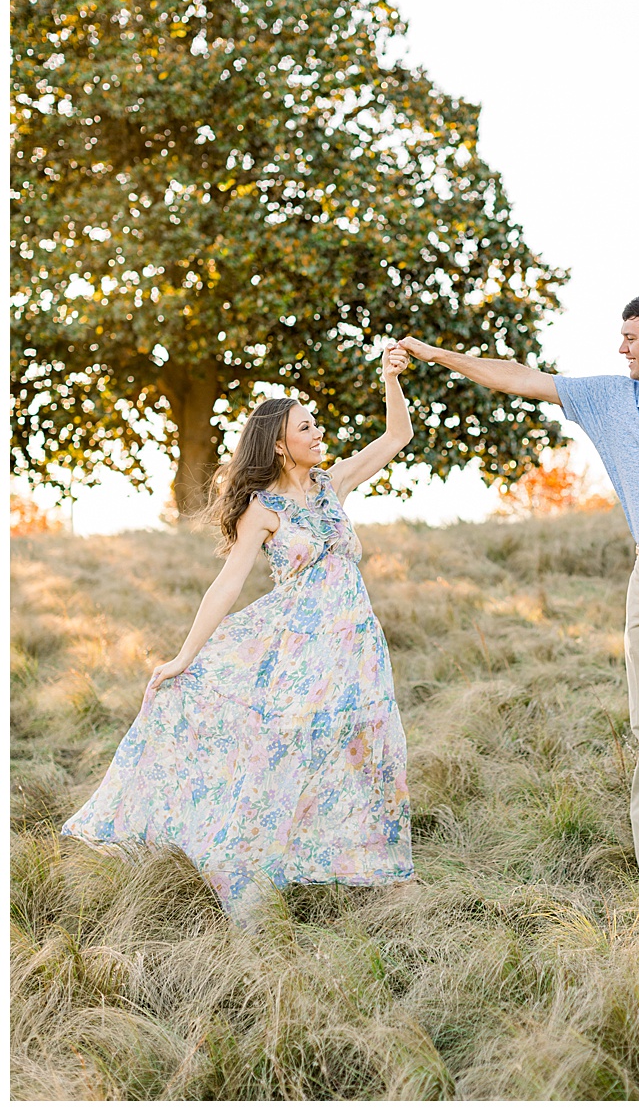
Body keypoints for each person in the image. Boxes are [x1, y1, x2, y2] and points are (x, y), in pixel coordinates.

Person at [401, 290, 639, 880]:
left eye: (630, 337)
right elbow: (518, 378)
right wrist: (434, 354)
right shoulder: (609, 398)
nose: (620, 347)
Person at [63, 347, 419, 928]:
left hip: (356, 648)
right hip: (299, 655)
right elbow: (226, 587)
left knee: (366, 751)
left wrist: (389, 378)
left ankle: (370, 866)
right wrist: (183, 657)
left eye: (315, 423)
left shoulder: (334, 485)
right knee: (285, 755)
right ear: (280, 443)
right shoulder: (263, 509)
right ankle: (251, 865)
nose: (317, 430)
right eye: (305, 426)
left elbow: (397, 435)